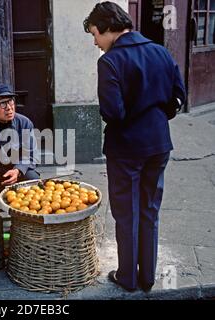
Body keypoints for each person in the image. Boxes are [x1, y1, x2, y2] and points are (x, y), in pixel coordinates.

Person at [83, 2, 186, 292]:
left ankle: (127, 277)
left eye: (95, 35)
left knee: (127, 213)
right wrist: (156, 114)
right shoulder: (160, 51)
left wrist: (132, 116)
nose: (95, 42)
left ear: (107, 28)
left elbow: (112, 113)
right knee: (150, 210)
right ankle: (148, 277)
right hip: (158, 143)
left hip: (125, 148)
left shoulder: (111, 61)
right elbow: (179, 96)